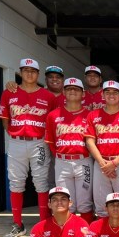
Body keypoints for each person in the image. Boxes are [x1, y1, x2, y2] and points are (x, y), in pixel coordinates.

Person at [0, 58, 56, 237]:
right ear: (20, 72)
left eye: (33, 71)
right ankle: (17, 224)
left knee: (41, 183)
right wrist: (12, 133)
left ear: (38, 74)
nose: (29, 74)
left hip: (39, 142)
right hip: (16, 142)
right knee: (16, 183)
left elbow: (54, 121)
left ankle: (44, 224)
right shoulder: (9, 92)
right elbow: (5, 118)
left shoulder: (48, 96)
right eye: (26, 70)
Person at [45, 77, 94, 223]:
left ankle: (86, 232)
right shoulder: (53, 115)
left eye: (76, 89)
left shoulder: (90, 115)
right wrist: (60, 156)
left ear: (83, 93)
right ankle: (68, 231)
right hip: (62, 162)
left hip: (84, 161)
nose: (72, 91)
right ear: (63, 92)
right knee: (64, 200)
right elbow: (51, 142)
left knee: (85, 202)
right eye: (69, 89)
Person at [85, 80, 119, 217]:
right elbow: (90, 141)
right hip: (100, 163)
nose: (111, 95)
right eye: (107, 92)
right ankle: (103, 229)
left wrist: (114, 163)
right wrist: (103, 164)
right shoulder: (93, 115)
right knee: (101, 203)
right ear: (102, 95)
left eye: (115, 92)